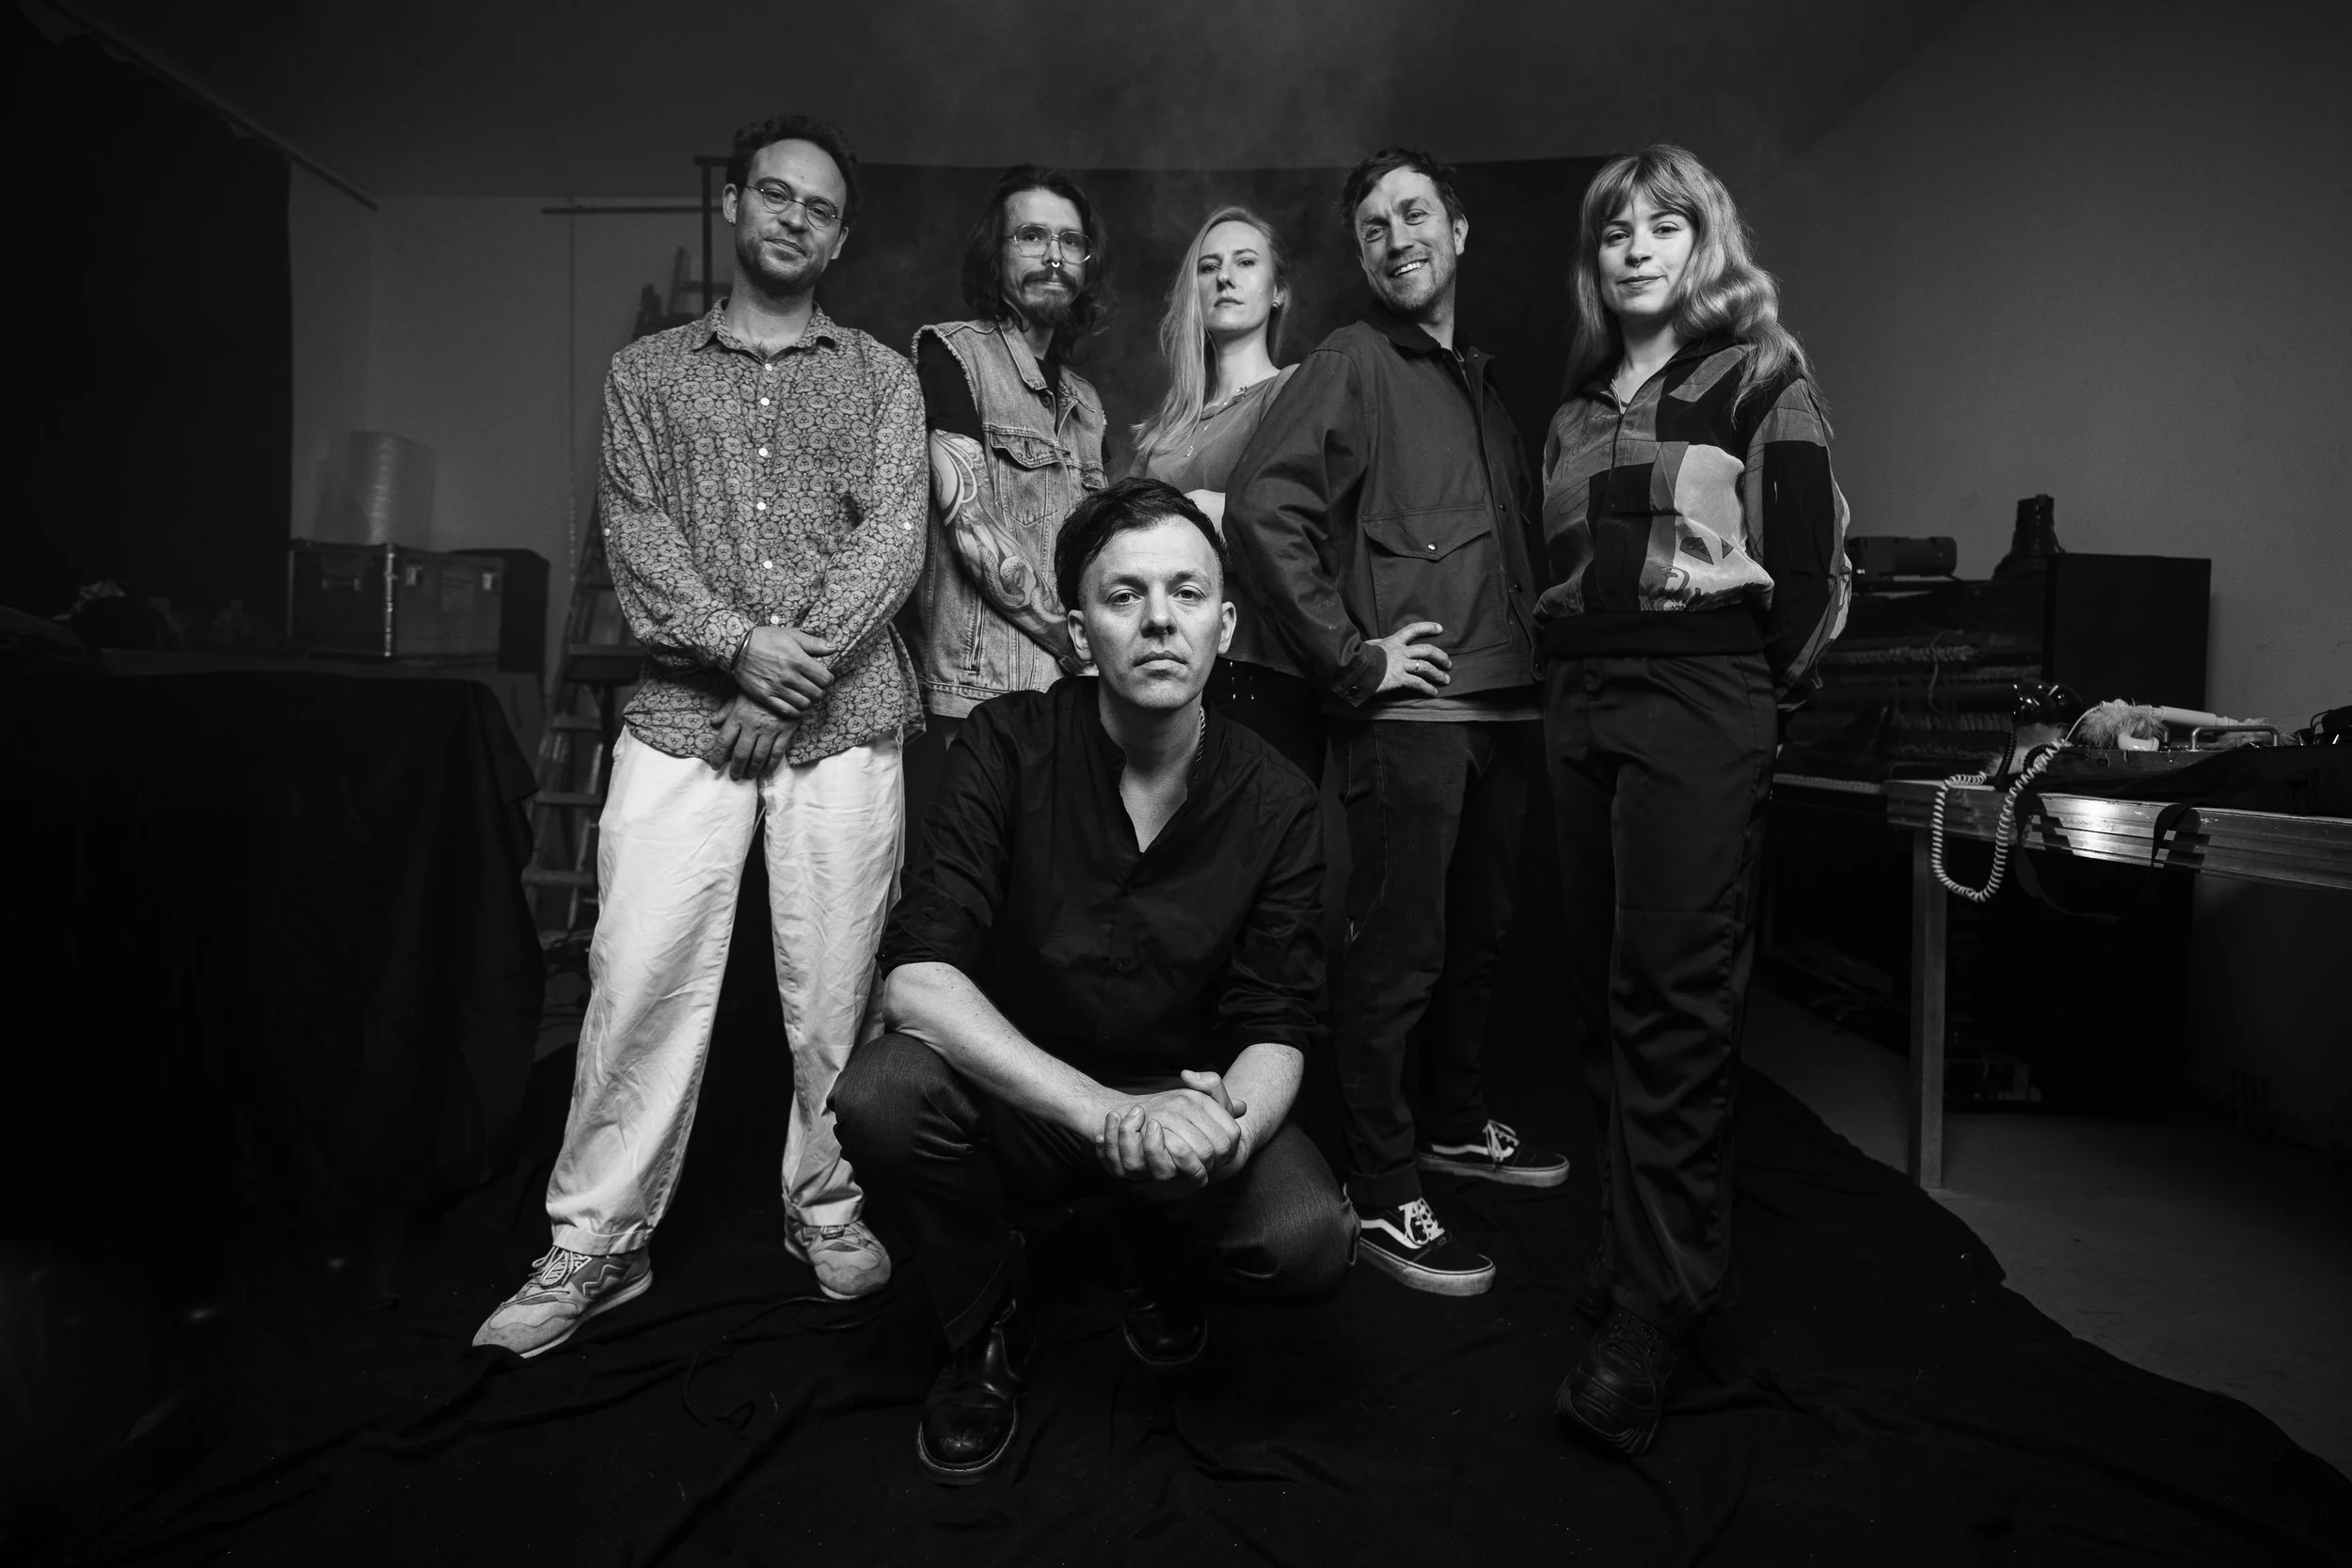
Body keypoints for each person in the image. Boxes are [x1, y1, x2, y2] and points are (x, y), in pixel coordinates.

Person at [473, 115, 926, 1357]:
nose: (793, 218)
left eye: (819, 207)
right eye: (773, 195)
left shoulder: (885, 373)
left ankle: (825, 1206)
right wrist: (737, 645)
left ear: (841, 236)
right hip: (682, 714)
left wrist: (783, 675)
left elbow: (892, 539)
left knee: (836, 989)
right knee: (635, 978)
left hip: (845, 721)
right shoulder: (646, 373)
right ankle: (595, 1246)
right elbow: (636, 534)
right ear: (734, 205)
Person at [832, 477, 1356, 1485]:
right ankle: (984, 1325)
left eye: (1187, 593)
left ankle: (1156, 1251)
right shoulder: (1005, 743)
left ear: (1226, 623)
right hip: (1027, 1098)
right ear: (1079, 630)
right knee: (883, 1092)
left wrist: (1227, 1134)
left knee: (1304, 1238)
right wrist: (1100, 1110)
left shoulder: (1279, 800)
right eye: (1124, 596)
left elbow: (1278, 1018)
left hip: (1182, 1103)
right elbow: (918, 980)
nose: (1160, 619)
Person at [1536, 144, 1850, 1457]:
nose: (1639, 246)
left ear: (1703, 243)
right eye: (1617, 228)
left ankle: (1660, 1309)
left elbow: (1809, 563)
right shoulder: (1567, 412)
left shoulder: (1762, 371)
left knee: (1674, 1002)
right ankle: (1632, 1259)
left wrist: (1736, 702)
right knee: (1606, 999)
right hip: (1581, 705)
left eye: (1667, 224)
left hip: (1701, 699)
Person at [1225, 148, 1568, 1300]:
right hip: (1411, 719)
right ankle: (1378, 1186)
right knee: (1399, 952)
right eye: (1372, 226)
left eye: (1413, 212)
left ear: (1458, 230)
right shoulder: (1352, 360)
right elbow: (1266, 509)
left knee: (1482, 935)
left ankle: (1455, 1122)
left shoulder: (1477, 387)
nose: (1394, 235)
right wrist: (1352, 658)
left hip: (1505, 704)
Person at [901, 166, 1112, 831]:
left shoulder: (1086, 402)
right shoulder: (950, 354)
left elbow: (1100, 550)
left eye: (1071, 242)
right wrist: (1071, 637)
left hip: (1074, 702)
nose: (1054, 256)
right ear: (996, 257)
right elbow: (970, 526)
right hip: (976, 705)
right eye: (1032, 236)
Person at [1128, 206, 1319, 782]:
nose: (1225, 278)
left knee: (1259, 855)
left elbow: (1307, 530)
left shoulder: (1299, 391)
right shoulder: (1164, 428)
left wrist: (1199, 513)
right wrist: (1208, 511)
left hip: (1261, 666)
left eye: (1244, 262)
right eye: (1208, 267)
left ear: (1278, 289)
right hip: (1163, 667)